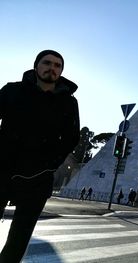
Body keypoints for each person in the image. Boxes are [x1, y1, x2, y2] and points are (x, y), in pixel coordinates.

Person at [0, 50, 80, 263]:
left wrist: (51, 164)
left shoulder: (69, 103)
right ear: (36, 66)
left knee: (18, 240)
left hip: (38, 177)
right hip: (2, 168)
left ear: (61, 72)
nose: (52, 68)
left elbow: (72, 138)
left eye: (57, 66)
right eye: (47, 63)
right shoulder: (11, 90)